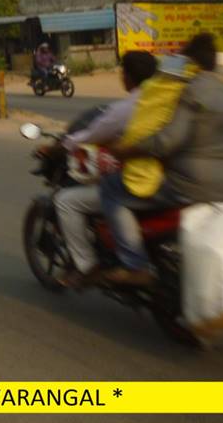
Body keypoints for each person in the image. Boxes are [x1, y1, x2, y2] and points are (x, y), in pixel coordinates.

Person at [98, 33, 223, 287]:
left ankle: (134, 264)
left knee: (111, 188)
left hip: (192, 186)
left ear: (187, 61)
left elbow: (166, 142)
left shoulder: (188, 91)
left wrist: (125, 151)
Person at [52, 51, 158, 289]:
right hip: (168, 181)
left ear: (128, 77)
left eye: (123, 72)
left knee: (66, 201)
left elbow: (92, 134)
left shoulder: (128, 107)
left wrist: (60, 146)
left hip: (139, 181)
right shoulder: (165, 101)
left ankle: (88, 266)